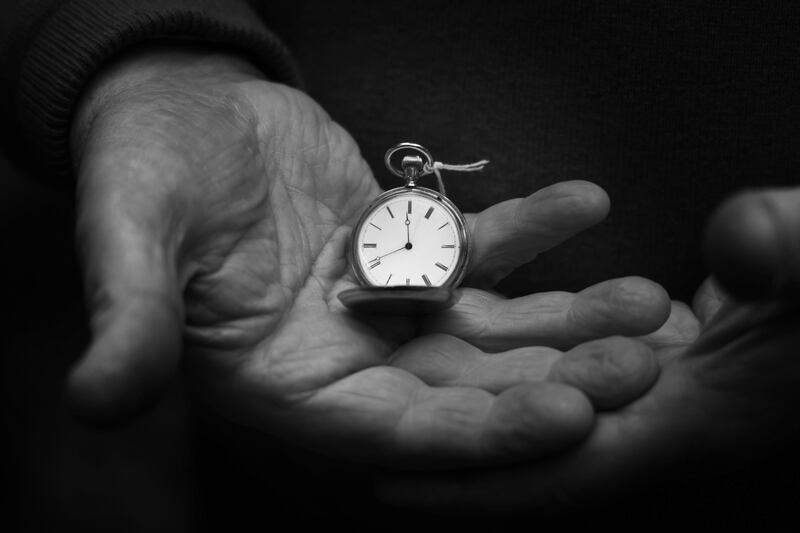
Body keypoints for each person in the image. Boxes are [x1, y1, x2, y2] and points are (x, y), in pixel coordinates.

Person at [1, 0, 798, 528]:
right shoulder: (397, 223)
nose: (410, 237)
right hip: (279, 461)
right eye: (404, 235)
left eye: (417, 236)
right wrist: (148, 53)